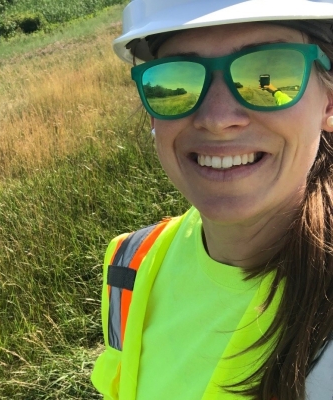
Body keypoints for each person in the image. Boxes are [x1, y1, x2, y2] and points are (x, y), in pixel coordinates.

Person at [91, 1, 333, 399]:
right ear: (153, 116)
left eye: (267, 73)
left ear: (329, 101)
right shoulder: (128, 264)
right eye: (176, 81)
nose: (218, 118)